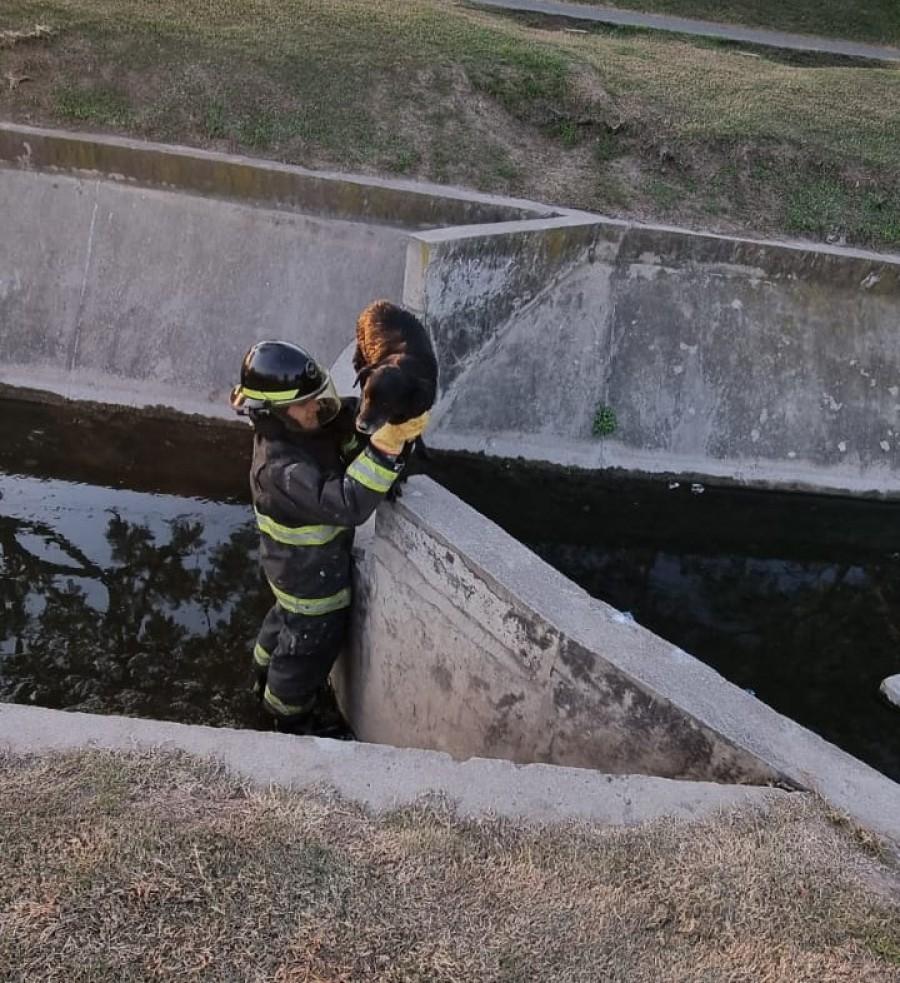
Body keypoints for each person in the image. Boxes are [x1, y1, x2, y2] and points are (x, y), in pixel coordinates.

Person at [229, 339, 429, 732]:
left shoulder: (303, 429)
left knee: (284, 619)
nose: (316, 407)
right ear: (274, 415)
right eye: (304, 404)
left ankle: (258, 676)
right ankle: (283, 718)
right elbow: (347, 503)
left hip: (289, 573)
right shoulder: (283, 469)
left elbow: (344, 427)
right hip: (311, 586)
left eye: (317, 396)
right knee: (306, 650)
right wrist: (385, 452)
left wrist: (383, 413)